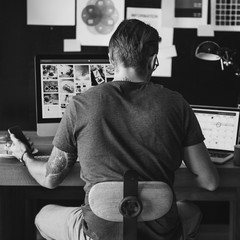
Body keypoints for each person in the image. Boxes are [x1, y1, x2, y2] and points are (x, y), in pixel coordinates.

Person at [10, 19, 219, 240]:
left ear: (111, 59)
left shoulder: (81, 104)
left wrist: (24, 155)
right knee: (192, 211)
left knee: (43, 216)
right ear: (153, 60)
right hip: (161, 233)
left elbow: (50, 179)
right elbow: (210, 182)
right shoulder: (176, 104)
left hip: (98, 234)